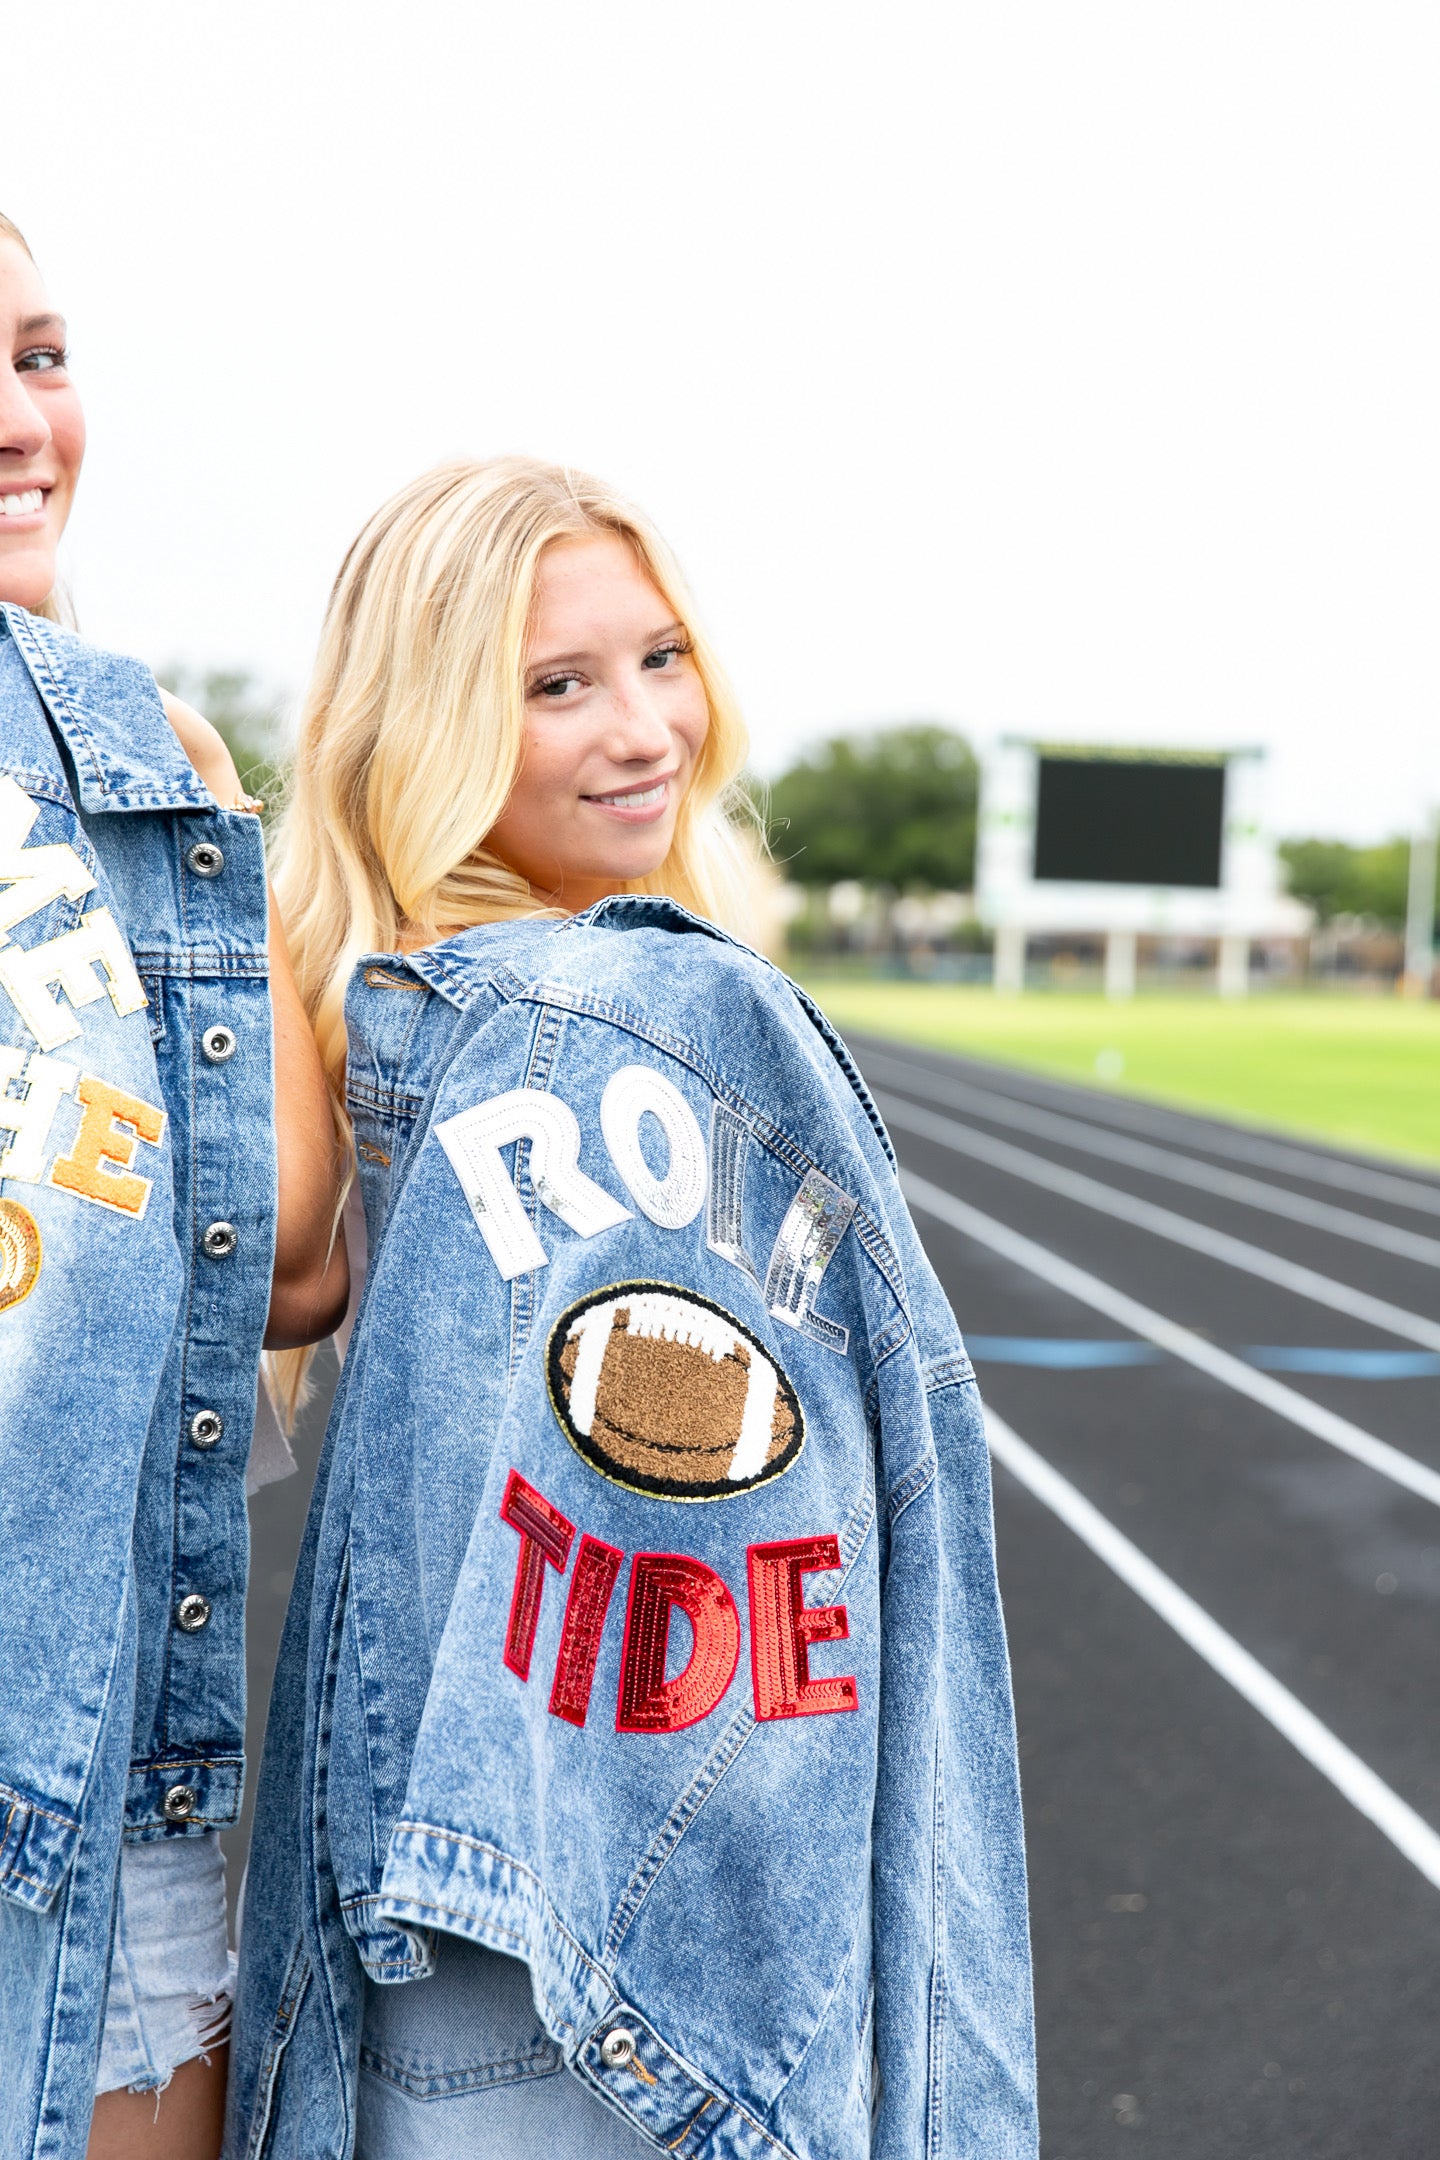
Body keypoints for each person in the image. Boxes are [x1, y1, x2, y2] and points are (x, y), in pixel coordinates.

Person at [230, 457, 1037, 2157]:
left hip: (449, 1947)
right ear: (429, 726)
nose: (646, 730)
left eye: (660, 659)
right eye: (556, 687)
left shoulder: (423, 1013)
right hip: (600, 1968)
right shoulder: (619, 1013)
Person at [0, 213, 348, 2160]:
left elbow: (290, 1260)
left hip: (117, 1749)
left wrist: (217, 851)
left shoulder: (154, 756)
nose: (20, 420)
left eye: (43, 358)